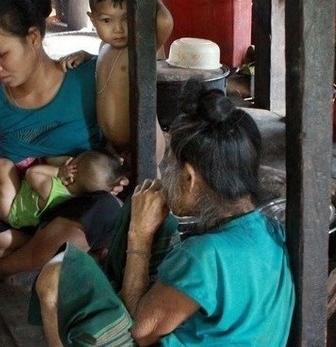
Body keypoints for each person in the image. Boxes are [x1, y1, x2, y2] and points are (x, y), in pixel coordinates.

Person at [34, 80, 296, 346]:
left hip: (147, 330)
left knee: (55, 276)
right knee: (152, 220)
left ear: (190, 177)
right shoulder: (269, 228)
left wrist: (139, 236)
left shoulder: (205, 255)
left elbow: (141, 332)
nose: (165, 170)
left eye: (170, 161)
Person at [0, 0, 127, 281]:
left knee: (104, 208)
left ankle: (9, 263)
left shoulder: (87, 78)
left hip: (74, 208)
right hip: (21, 210)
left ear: (33, 38)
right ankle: (58, 253)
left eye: (2, 53)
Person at [60, 0, 173, 165]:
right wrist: (86, 56)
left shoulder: (139, 49)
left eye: (127, 19)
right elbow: (109, 66)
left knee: (150, 184)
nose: (118, 29)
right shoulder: (105, 46)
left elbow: (164, 21)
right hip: (112, 143)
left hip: (144, 140)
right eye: (107, 20)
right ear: (92, 19)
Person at [0, 149, 126, 229]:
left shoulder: (52, 189)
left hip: (10, 207)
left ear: (72, 173)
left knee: (5, 166)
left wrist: (58, 172)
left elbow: (32, 173)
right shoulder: (70, 201)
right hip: (20, 219)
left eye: (74, 160)